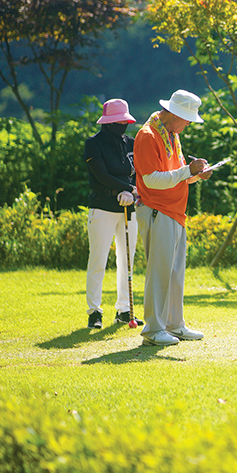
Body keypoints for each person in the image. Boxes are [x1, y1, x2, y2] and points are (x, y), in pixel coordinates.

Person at [134, 89, 213, 346]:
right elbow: (152, 180)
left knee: (175, 272)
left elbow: (176, 174)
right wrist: (187, 171)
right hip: (157, 210)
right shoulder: (147, 135)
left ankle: (174, 325)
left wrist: (195, 175)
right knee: (159, 272)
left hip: (175, 212)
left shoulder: (171, 134)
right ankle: (153, 329)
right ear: (174, 114)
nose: (189, 124)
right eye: (188, 119)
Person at [84, 98, 142, 329]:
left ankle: (124, 310)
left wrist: (134, 191)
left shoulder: (131, 142)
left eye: (125, 121)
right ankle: (94, 312)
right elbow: (101, 175)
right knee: (98, 260)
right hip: (102, 207)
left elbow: (139, 171)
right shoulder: (94, 144)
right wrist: (127, 188)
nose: (122, 124)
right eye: (118, 121)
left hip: (129, 209)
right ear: (107, 123)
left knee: (127, 261)